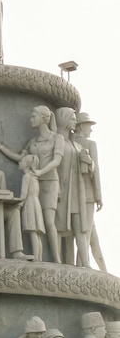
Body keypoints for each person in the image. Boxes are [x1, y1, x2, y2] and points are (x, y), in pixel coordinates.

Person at [0, 107, 64, 263]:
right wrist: (2, 149)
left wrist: (40, 172)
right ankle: (39, 256)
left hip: (49, 181)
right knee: (34, 222)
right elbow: (20, 158)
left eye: (34, 116)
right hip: (34, 181)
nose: (31, 119)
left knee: (49, 221)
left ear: (44, 118)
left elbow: (57, 161)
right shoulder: (33, 142)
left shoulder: (57, 138)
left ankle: (57, 259)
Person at [54, 107, 92, 267]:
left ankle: (86, 263)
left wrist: (89, 162)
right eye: (72, 118)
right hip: (60, 191)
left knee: (80, 228)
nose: (75, 122)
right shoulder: (56, 141)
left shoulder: (75, 144)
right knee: (57, 226)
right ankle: (56, 260)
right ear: (63, 119)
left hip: (76, 192)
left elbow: (89, 167)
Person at [74, 112, 107, 271]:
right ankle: (81, 266)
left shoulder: (70, 141)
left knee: (90, 234)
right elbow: (96, 171)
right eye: (89, 126)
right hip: (87, 194)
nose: (91, 130)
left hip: (75, 193)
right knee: (85, 231)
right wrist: (98, 196)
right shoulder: (90, 144)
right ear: (81, 126)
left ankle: (103, 269)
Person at [18, 154, 45, 260]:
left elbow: (23, 194)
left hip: (29, 204)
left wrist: (19, 205)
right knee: (37, 234)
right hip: (36, 204)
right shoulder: (34, 177)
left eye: (22, 161)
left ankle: (36, 258)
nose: (19, 162)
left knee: (33, 232)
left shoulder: (26, 177)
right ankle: (40, 257)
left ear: (27, 164)